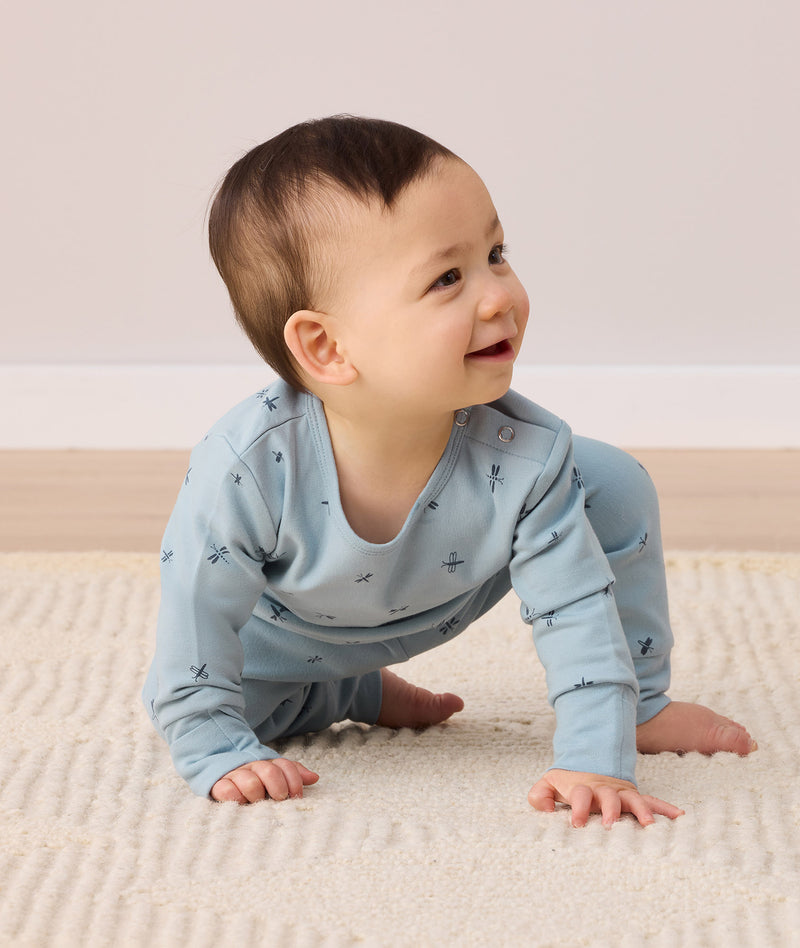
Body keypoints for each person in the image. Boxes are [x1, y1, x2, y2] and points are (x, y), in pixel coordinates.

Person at [142, 116, 756, 827]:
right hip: (281, 643)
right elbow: (196, 614)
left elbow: (574, 608)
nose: (498, 296)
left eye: (497, 254)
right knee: (216, 710)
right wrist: (214, 747)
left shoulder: (527, 454)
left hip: (440, 590)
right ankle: (346, 694)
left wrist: (596, 755)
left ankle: (642, 703)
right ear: (327, 346)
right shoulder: (246, 469)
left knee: (612, 485)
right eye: (448, 278)